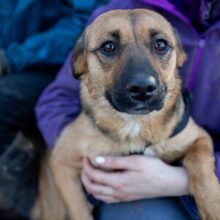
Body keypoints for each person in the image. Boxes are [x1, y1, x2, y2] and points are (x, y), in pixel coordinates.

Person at [36, 0, 220, 219]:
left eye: (160, 46)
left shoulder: (183, 131)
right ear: (82, 64)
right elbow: (56, 101)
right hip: (117, 188)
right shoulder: (111, 14)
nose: (142, 82)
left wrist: (185, 181)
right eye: (109, 48)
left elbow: (198, 142)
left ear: (179, 57)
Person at [0, 0, 109, 219]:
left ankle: (17, 205)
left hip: (54, 66)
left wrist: (13, 57)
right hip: (14, 59)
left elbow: (80, 24)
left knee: (5, 98)